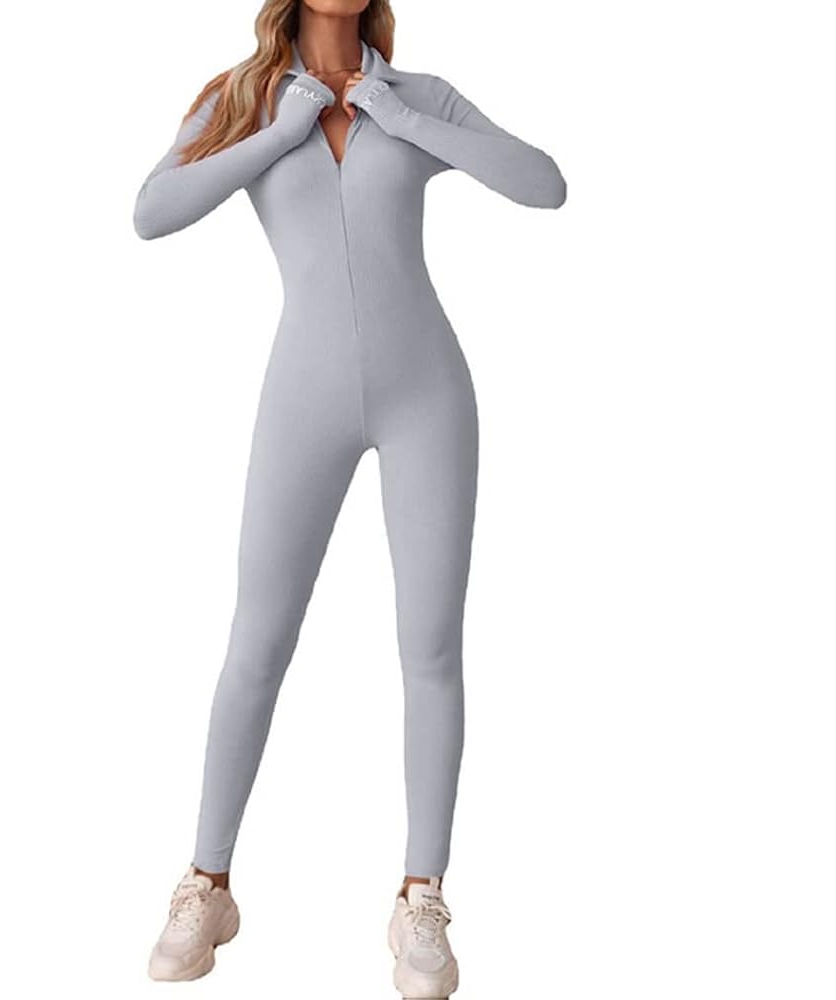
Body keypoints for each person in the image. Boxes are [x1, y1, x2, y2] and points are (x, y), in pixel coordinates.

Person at [132, 1, 566, 994]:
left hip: (429, 397)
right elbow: (151, 212)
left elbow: (544, 184)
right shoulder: (242, 98)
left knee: (431, 645)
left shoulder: (417, 95)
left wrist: (402, 118)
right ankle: (207, 883)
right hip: (303, 398)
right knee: (257, 640)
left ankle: (421, 895)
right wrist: (278, 132)